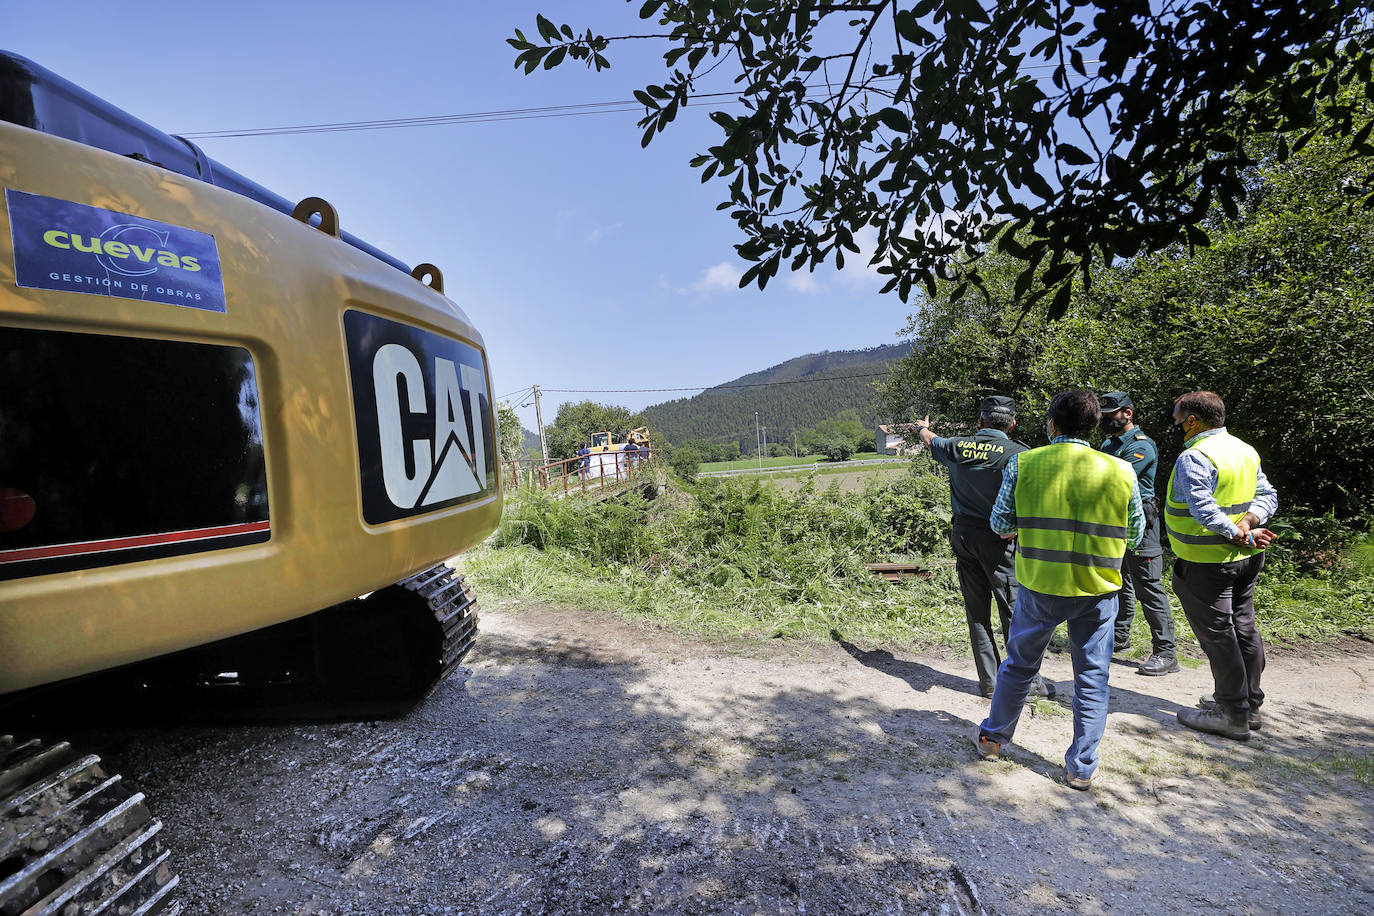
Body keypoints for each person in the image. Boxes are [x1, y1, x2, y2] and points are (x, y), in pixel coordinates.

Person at [975, 389, 1144, 790]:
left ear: (1051, 423)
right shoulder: (1121, 470)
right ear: (1094, 425)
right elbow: (1135, 534)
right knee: (1092, 677)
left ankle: (993, 740)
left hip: (1039, 585)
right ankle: (1081, 767)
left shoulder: (1025, 463)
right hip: (1098, 588)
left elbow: (1000, 525)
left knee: (1019, 665)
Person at [915, 397, 1054, 700]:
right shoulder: (1019, 454)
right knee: (1014, 612)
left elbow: (930, 440)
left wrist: (923, 428)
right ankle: (1027, 683)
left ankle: (989, 682)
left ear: (981, 422)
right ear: (1012, 423)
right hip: (1000, 539)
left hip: (963, 535)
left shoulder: (956, 446)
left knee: (977, 612)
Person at [1165, 391, 1278, 741]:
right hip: (1245, 561)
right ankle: (1249, 704)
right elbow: (1268, 496)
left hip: (1207, 564)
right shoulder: (1243, 449)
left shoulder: (1195, 456)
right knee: (1244, 627)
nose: (1177, 428)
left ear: (1194, 420)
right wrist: (1248, 525)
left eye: (1178, 421)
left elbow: (1203, 510)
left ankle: (1231, 712)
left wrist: (1238, 533)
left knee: (1219, 636)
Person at [1097, 391, 1178, 676]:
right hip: (1114, 521)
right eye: (1103, 416)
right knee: (1120, 582)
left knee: (1148, 587)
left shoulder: (1142, 446)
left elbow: (1114, 478)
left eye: (1110, 416)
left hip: (1142, 522)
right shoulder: (1110, 442)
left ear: (1127, 413)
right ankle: (1119, 638)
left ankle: (1166, 653)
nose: (1105, 421)